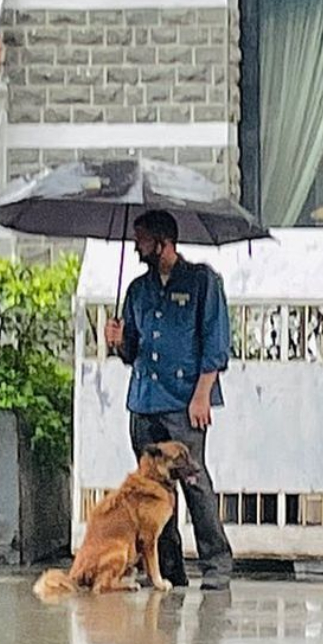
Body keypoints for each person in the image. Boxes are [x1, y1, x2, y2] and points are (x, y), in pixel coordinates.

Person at [104, 209, 234, 591]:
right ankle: (168, 569)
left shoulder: (201, 282)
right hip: (144, 401)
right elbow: (132, 351)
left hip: (183, 401)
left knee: (194, 481)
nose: (136, 247)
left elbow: (216, 343)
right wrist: (117, 340)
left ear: (164, 241)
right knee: (153, 491)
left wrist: (202, 396)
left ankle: (216, 564)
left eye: (142, 239)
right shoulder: (137, 291)